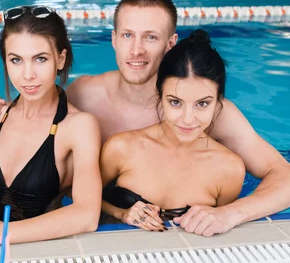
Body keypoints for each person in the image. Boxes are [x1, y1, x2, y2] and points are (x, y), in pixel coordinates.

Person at [0, 0, 290, 237]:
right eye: (127, 35)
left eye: (150, 38)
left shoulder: (211, 110)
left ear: (171, 43)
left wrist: (231, 214)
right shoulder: (84, 95)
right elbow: (31, 112)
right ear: (113, 39)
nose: (136, 51)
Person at [0, 5, 102, 254]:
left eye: (40, 59)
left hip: (42, 250)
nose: (28, 75)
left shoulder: (78, 126)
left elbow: (86, 215)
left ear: (61, 59)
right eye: (16, 60)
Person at [101, 30, 245, 233]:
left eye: (202, 104)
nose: (188, 119)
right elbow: (78, 196)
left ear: (218, 101)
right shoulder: (122, 147)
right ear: (160, 96)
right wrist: (121, 213)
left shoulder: (229, 169)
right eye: (175, 102)